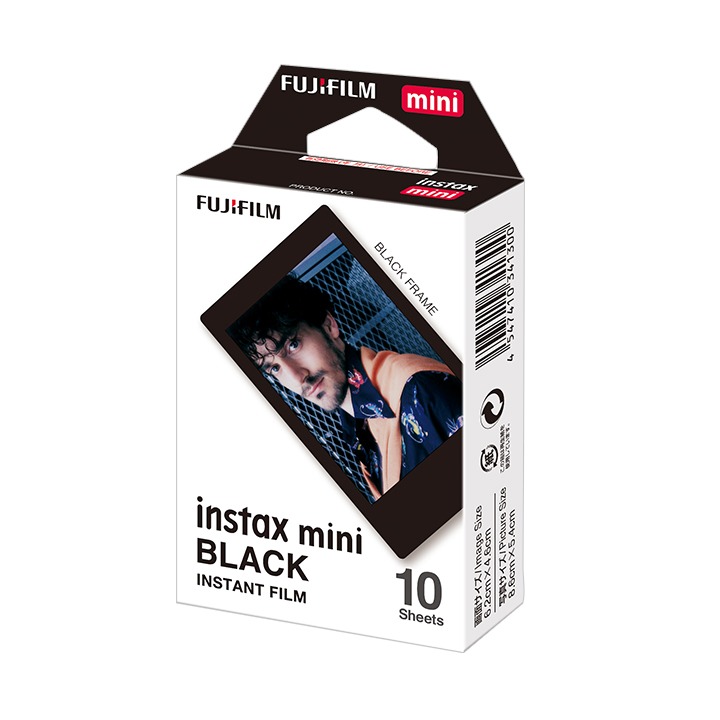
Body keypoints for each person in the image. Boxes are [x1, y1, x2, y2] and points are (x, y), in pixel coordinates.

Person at [228, 274, 463, 501]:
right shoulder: (356, 426)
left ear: (328, 325)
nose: (298, 377)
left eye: (293, 345)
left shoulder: (420, 390)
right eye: (275, 368)